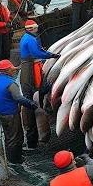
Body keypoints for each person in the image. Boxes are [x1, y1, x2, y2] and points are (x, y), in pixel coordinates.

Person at [19, 20, 60, 149]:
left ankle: (33, 135)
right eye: (36, 27)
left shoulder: (26, 37)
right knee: (34, 92)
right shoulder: (30, 40)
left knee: (34, 92)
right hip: (30, 68)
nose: (37, 29)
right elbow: (37, 53)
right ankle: (32, 140)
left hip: (28, 66)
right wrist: (51, 55)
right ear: (31, 29)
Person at [0, 60, 38, 164]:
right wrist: (33, 105)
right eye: (12, 69)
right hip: (10, 114)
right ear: (7, 71)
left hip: (0, 112)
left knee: (8, 135)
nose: (14, 70)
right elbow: (19, 98)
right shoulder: (10, 84)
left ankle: (12, 154)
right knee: (15, 137)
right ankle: (15, 161)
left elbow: (13, 69)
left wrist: (19, 67)